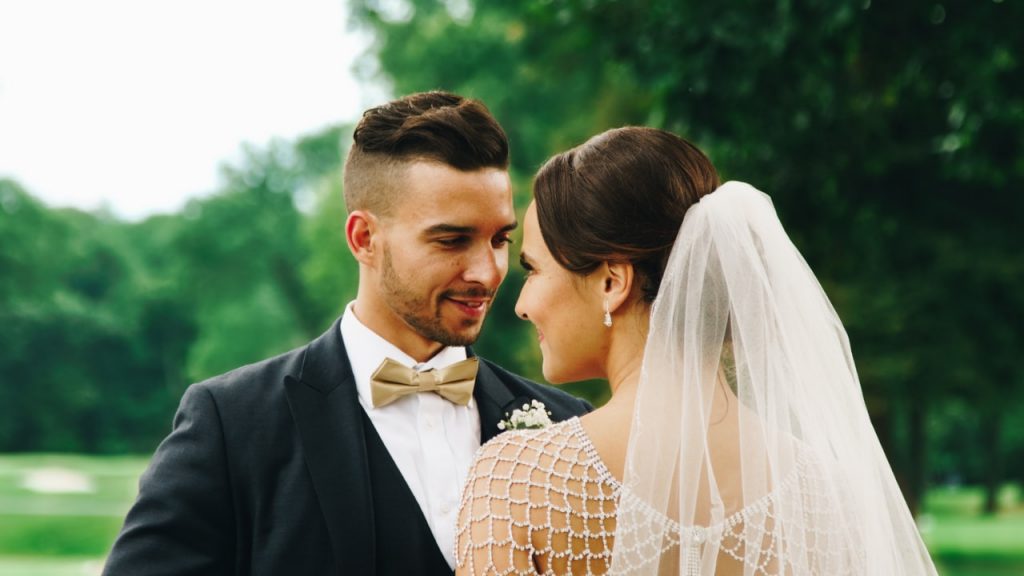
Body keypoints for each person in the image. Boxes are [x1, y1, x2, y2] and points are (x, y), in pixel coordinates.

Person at [103, 91, 591, 576]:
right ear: (364, 239)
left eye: (500, 239)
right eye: (451, 240)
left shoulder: (571, 428)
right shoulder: (232, 425)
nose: (486, 272)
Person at [455, 127, 937, 575]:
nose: (521, 305)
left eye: (533, 270)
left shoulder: (515, 481)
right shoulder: (831, 497)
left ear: (611, 282)